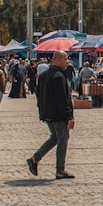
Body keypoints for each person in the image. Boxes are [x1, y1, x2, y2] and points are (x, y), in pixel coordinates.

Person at [27, 50, 76, 179]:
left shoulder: (43, 75)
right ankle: (60, 170)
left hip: (47, 113)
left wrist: (42, 111)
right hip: (58, 115)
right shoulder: (59, 76)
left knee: (55, 137)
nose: (67, 62)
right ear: (58, 60)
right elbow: (62, 99)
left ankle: (35, 158)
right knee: (62, 140)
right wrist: (69, 117)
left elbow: (39, 96)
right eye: (65, 59)